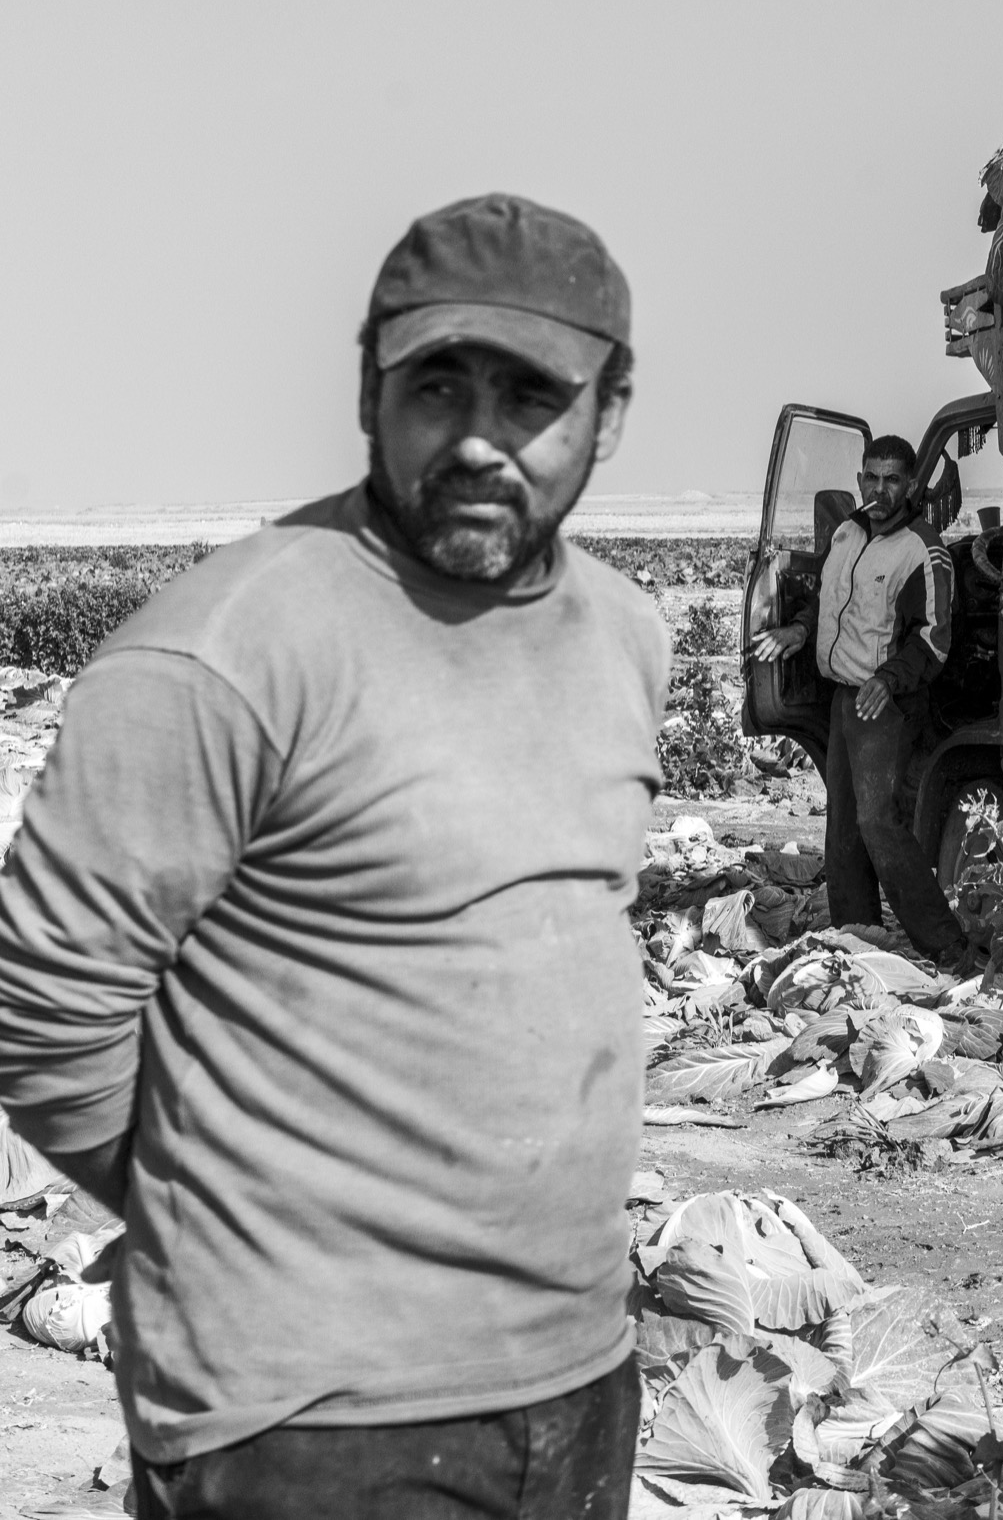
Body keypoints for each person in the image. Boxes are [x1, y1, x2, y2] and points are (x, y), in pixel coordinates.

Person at [0, 194, 666, 1516]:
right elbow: (45, 1005)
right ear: (370, 391)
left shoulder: (624, 634)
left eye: (530, 396)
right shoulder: (225, 652)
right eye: (437, 386)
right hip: (307, 1415)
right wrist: (226, 1208)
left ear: (609, 413)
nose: (477, 437)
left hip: (577, 1370)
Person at [748, 434, 961, 949]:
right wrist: (799, 630)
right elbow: (826, 598)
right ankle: (856, 938)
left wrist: (887, 681)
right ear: (859, 479)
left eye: (892, 480)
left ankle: (944, 945)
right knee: (843, 828)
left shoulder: (923, 551)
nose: (879, 489)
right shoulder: (846, 533)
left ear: (911, 484)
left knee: (879, 823)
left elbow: (932, 639)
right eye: (872, 477)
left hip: (886, 705)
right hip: (844, 699)